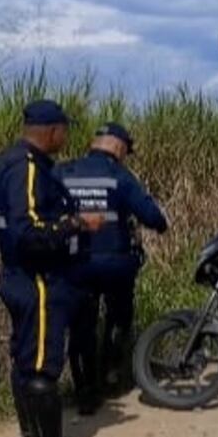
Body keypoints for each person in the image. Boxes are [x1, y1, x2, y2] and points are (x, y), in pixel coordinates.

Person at [0, 100, 101, 437]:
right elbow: (28, 232)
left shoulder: (8, 162)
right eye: (64, 130)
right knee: (40, 367)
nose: (66, 138)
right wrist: (76, 224)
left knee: (24, 359)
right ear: (52, 131)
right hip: (36, 279)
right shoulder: (27, 167)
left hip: (18, 276)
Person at [58, 122, 168, 414]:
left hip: (76, 263)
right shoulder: (119, 175)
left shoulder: (63, 172)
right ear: (118, 147)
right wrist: (160, 222)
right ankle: (111, 374)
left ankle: (85, 393)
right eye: (125, 152)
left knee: (81, 328)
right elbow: (153, 217)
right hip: (115, 264)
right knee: (119, 316)